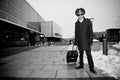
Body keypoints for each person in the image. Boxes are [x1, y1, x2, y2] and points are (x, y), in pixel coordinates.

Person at [74, 8, 96, 74]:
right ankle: (81, 65)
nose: (80, 15)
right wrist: (76, 41)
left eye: (81, 14)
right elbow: (76, 33)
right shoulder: (76, 23)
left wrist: (90, 40)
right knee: (81, 54)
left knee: (89, 55)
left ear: (83, 14)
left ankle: (91, 67)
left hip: (87, 41)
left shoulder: (87, 21)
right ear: (77, 15)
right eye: (78, 14)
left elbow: (91, 32)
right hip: (80, 41)